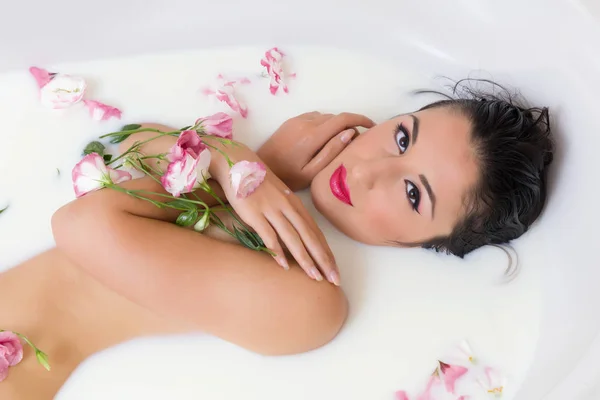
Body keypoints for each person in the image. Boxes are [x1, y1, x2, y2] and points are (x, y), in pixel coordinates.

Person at [0, 81, 553, 399]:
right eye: (402, 136)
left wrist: (236, 161)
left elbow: (80, 226)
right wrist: (255, 172)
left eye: (412, 194)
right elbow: (117, 154)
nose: (365, 171)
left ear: (426, 242)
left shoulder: (309, 299)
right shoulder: (265, 187)